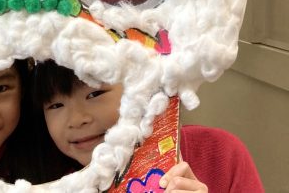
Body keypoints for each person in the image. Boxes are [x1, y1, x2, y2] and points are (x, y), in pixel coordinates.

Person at [30, 60, 263, 191]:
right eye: (55, 105)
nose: (76, 119)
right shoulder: (49, 180)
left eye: (95, 94)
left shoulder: (219, 153)